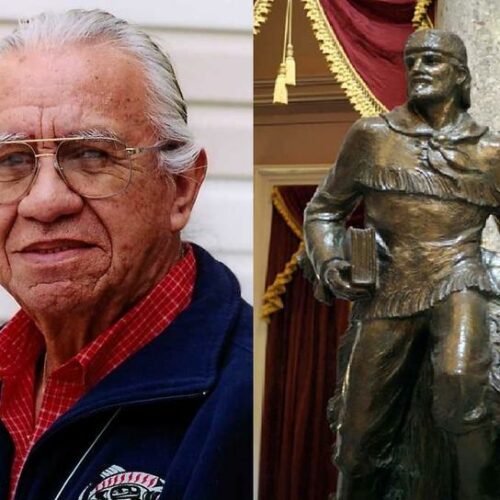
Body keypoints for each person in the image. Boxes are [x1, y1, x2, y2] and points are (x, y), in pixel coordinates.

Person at [0, 9, 251, 500]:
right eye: (11, 161)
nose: (45, 201)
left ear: (180, 189)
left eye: (92, 155)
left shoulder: (253, 403)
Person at [304, 29, 499, 499]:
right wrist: (331, 262)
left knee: (461, 385)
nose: (418, 69)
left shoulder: (491, 153)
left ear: (460, 75)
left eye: (432, 61)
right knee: (358, 430)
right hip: (388, 288)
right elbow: (324, 209)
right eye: (412, 61)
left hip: (459, 275)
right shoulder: (372, 137)